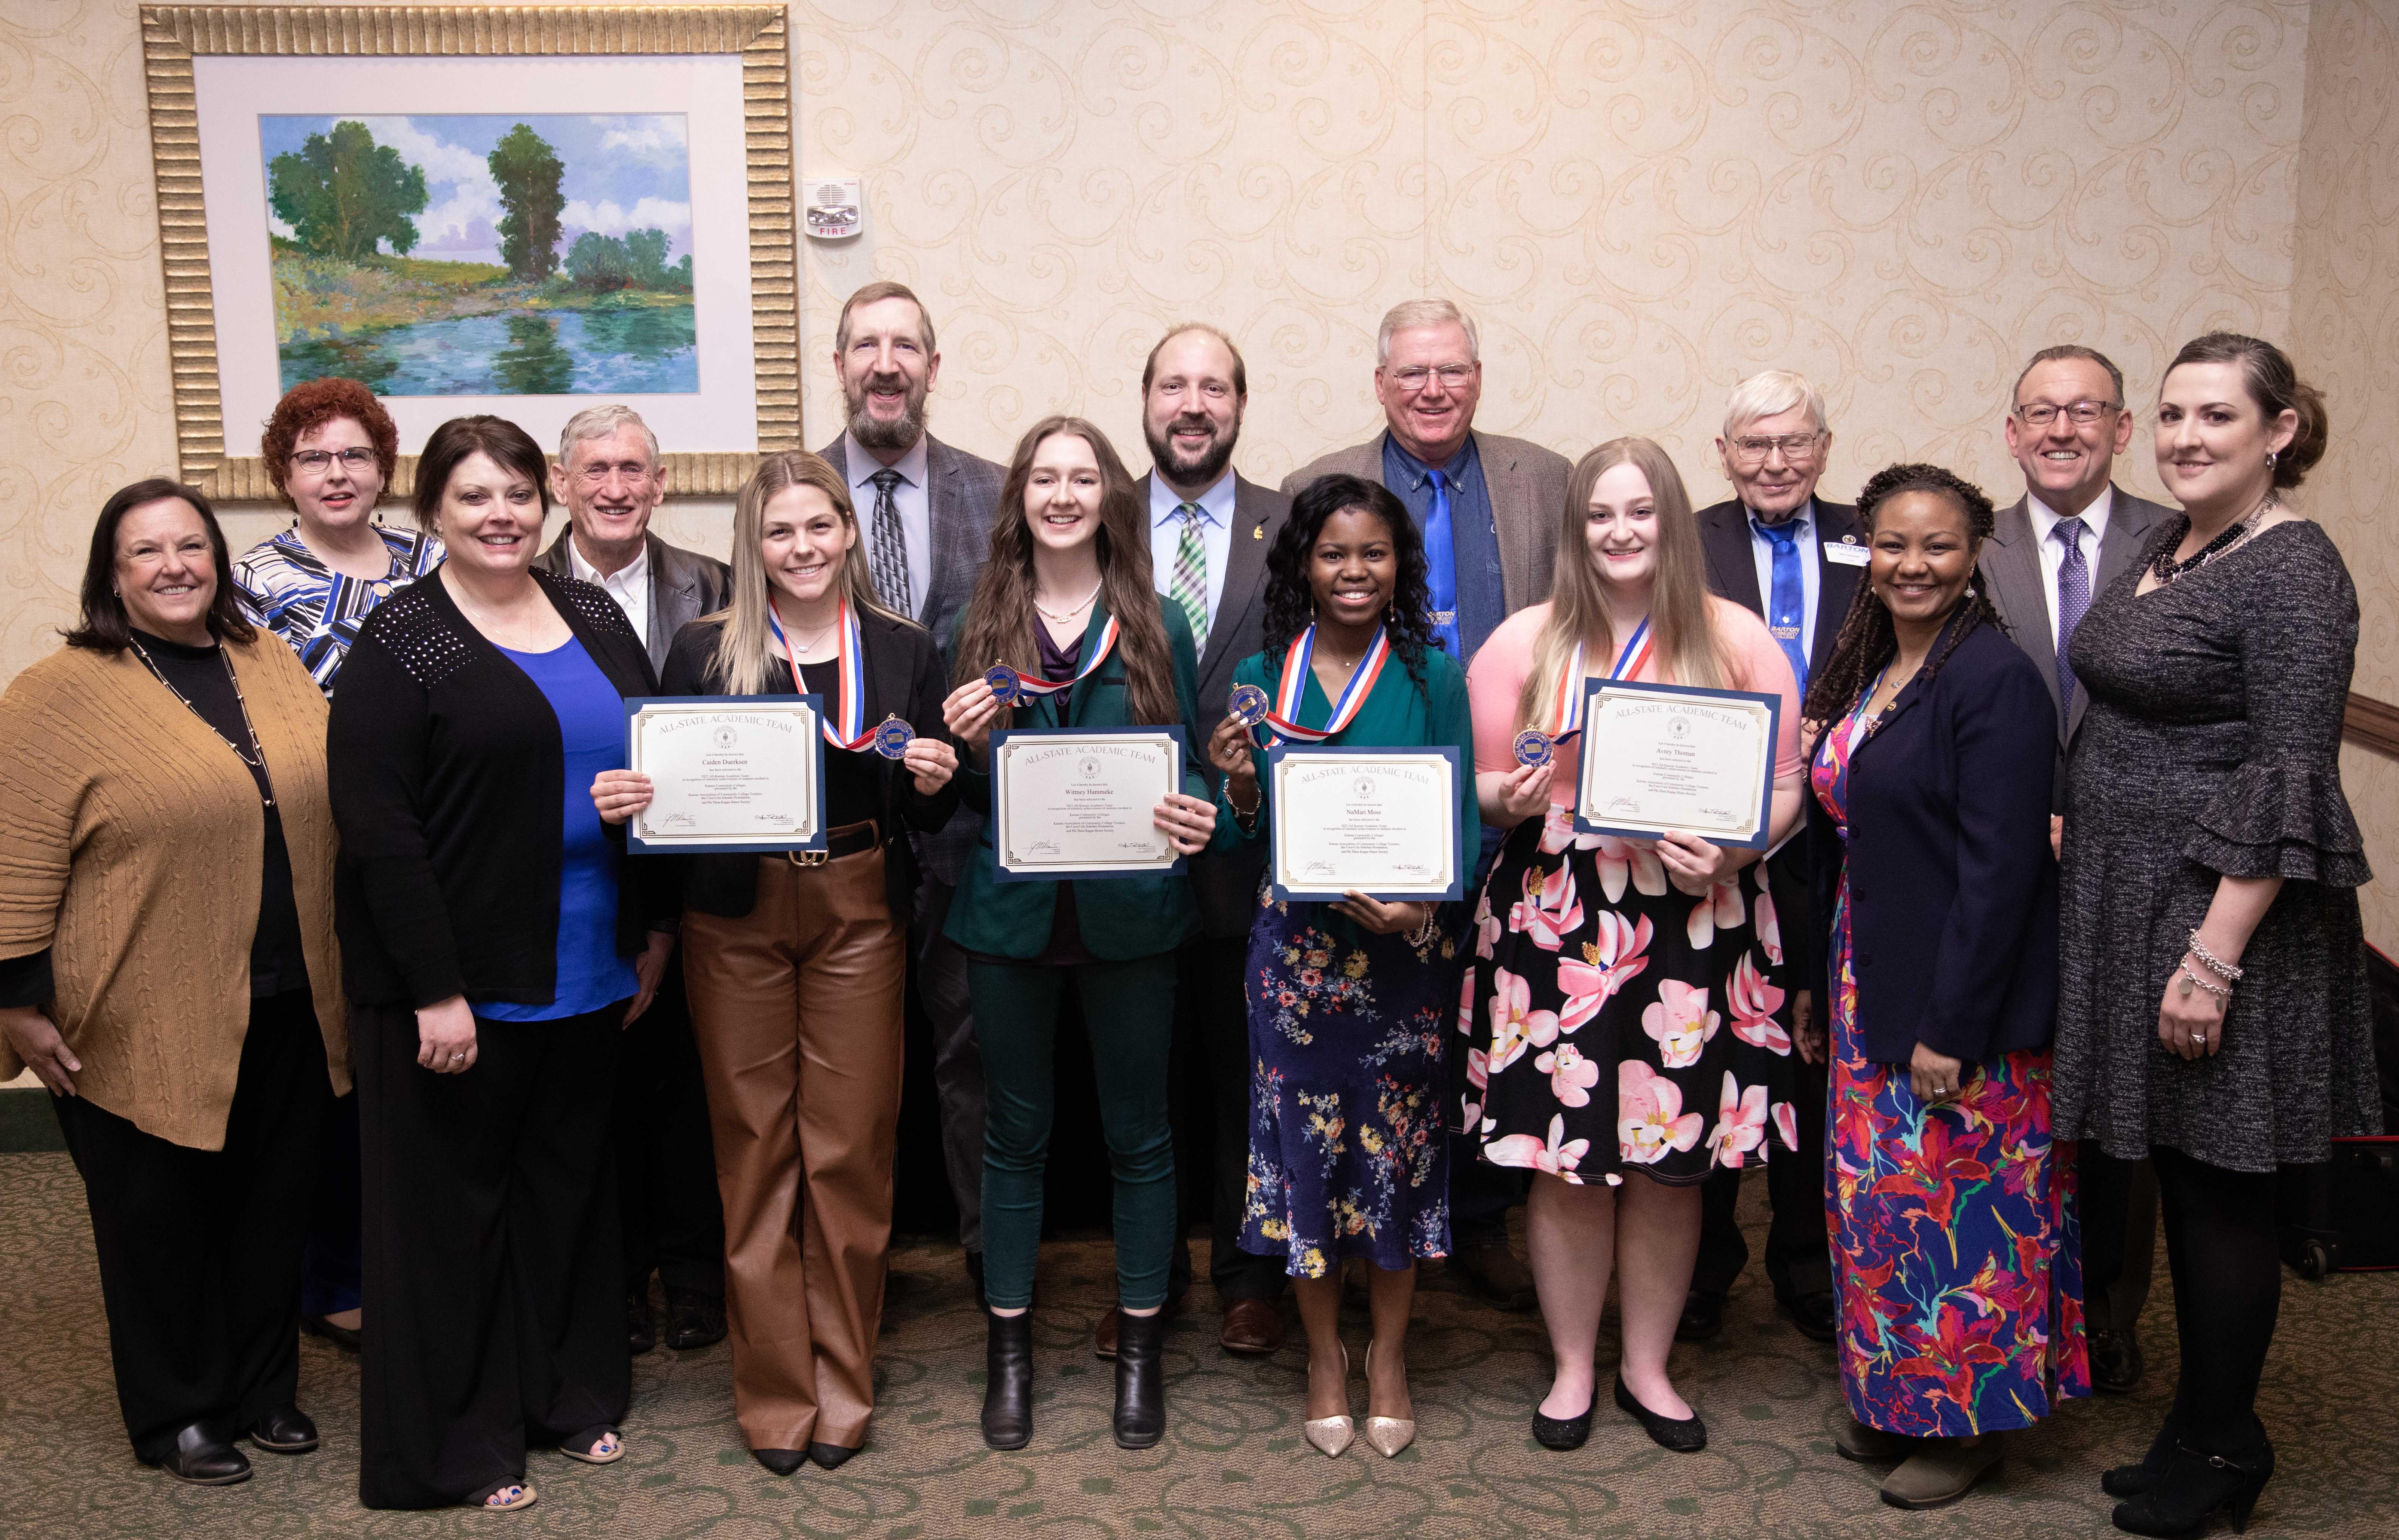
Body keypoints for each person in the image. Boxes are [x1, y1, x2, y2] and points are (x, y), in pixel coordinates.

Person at [2053, 334, 2380, 1538]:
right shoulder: (2167, 541)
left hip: (2220, 921)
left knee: (2221, 1189)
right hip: (2132, 898)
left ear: (2278, 430)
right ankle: (2195, 1421)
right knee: (2180, 1176)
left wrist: (2212, 955)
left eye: (2219, 419)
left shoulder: (2294, 569)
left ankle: (2226, 1441)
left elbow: (2289, 769)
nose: (2189, 437)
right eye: (2176, 415)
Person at [331, 415, 677, 1512]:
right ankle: (458, 1447)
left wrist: (650, 924)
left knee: (563, 1199)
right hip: (460, 990)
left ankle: (565, 1396)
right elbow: (381, 831)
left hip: (585, 970)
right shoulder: (404, 639)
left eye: (519, 493)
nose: (501, 514)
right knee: (451, 1221)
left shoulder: (587, 611)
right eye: (475, 495)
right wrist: (435, 987)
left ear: (550, 501)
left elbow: (647, 758)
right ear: (432, 509)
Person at [590, 452, 961, 1475]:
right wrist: (637, 808)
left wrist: (936, 774)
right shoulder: (707, 650)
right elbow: (670, 801)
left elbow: (931, 803)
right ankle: (772, 1387)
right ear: (751, 547)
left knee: (847, 1149)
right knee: (753, 1148)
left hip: (856, 908)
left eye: (818, 527)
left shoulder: (901, 646)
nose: (802, 548)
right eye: (779, 532)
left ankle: (845, 1379)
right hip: (733, 915)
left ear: (849, 532)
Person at [1461, 436, 1804, 1456]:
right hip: (1559, 920)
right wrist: (1510, 798)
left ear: (1669, 519)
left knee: (1669, 1159)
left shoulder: (1733, 637)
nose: (1619, 531)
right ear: (1574, 530)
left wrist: (1737, 843)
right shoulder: (1524, 641)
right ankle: (1572, 1365)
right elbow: (1479, 783)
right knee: (1566, 1160)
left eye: (1639, 511)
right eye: (1598, 515)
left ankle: (1645, 1365)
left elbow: (1786, 783)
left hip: (1697, 918)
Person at [0, 479, 345, 1485]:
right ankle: (180, 1411)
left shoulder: (264, 657)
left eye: (191, 545)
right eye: (146, 551)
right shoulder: (58, 692)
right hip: (131, 1011)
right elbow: (15, 855)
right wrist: (17, 1002)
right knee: (159, 1223)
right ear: (112, 571)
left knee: (271, 1206)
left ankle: (262, 1388)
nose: (174, 566)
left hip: (287, 994)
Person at [1800, 463, 2088, 1509]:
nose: (1909, 563)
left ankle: (1969, 1423)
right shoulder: (1883, 662)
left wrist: (1949, 1027)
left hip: (1954, 1002)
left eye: (1935, 545)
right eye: (1889, 543)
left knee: (1964, 1217)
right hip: (1867, 973)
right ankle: (1901, 1401)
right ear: (1864, 552)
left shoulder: (1992, 678)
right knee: (1882, 1210)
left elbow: (2000, 868)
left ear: (1973, 555)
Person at [937, 416, 1219, 1452]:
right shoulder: (979, 616)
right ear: (1018, 494)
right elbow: (970, 785)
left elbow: (1183, 760)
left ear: (1108, 494)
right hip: (1010, 915)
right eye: (1043, 477)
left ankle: (1139, 1350)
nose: (1062, 493)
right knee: (1015, 1136)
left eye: (1081, 476)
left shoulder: (1156, 619)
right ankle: (1007, 1351)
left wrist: (1202, 810)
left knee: (1138, 1135)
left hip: (1132, 912)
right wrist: (964, 748)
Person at [1284, 296, 1570, 1310]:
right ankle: (1367, 1226)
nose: (1433, 389)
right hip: (1379, 800)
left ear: (1477, 376)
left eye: (1451, 369)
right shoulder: (1316, 489)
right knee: (1387, 1024)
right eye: (1411, 373)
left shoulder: (1544, 478)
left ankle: (1482, 1217)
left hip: (1526, 790)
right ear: (1379, 384)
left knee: (1497, 1022)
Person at [1204, 473, 1476, 1460]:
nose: (1353, 570)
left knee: (1396, 1158)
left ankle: (1390, 1353)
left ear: (1397, 563)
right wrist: (1237, 783)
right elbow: (1242, 837)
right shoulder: (1258, 678)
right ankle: (1324, 1354)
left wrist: (1428, 900)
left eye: (1372, 552)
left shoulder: (1433, 674)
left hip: (1402, 959)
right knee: (1311, 1158)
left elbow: (1464, 823)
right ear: (1303, 566)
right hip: (1298, 966)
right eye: (1332, 553)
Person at [1975, 344, 2173, 1396]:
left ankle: (2108, 1310)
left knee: (2116, 1100)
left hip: (2136, 866)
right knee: (2010, 1089)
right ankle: (2010, 1298)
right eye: (2039, 412)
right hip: (2002, 865)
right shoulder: (1967, 543)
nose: (2060, 429)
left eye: (2082, 410)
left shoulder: (2179, 541)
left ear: (2120, 428)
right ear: (2009, 432)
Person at [233, 375, 441, 1355]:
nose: (337, 472)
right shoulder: (249, 582)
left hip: (437, 834)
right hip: (314, 845)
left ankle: (425, 1257)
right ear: (284, 472)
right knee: (334, 1061)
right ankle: (339, 1275)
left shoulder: (436, 561)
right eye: (314, 456)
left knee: (430, 1052)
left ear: (383, 467)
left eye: (355, 453)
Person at [818, 280, 1008, 1304]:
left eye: (905, 346)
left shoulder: (994, 490)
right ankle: (857, 1264)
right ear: (838, 363)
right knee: (843, 1062)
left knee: (970, 1050)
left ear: (933, 366)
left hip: (966, 823)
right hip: (836, 832)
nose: (884, 363)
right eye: (864, 345)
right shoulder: (794, 496)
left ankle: (987, 1254)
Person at [533, 404, 731, 1355]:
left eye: (634, 470)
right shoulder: (517, 592)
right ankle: (613, 1280)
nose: (615, 488)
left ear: (662, 484)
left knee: (690, 1081)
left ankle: (696, 1275)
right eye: (596, 470)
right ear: (561, 483)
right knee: (595, 1090)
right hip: (582, 876)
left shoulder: (721, 585)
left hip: (705, 877)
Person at [1117, 321, 1294, 1361]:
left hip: (1246, 844)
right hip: (1122, 849)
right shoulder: (1092, 522)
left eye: (1214, 387)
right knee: (1138, 1076)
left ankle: (1244, 1273)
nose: (1193, 404)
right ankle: (1147, 1274)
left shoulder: (1289, 522)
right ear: (1143, 400)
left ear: (1239, 403)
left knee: (1241, 1072)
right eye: (1173, 384)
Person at [1685, 369, 1858, 1346]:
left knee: (1811, 1049)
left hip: (1833, 837)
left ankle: (1804, 1257)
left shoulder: (1875, 537)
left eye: (1793, 442)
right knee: (1708, 1039)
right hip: (1713, 831)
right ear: (1723, 454)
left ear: (1823, 449)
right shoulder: (1687, 541)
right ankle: (1705, 1263)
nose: (1774, 461)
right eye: (1753, 444)